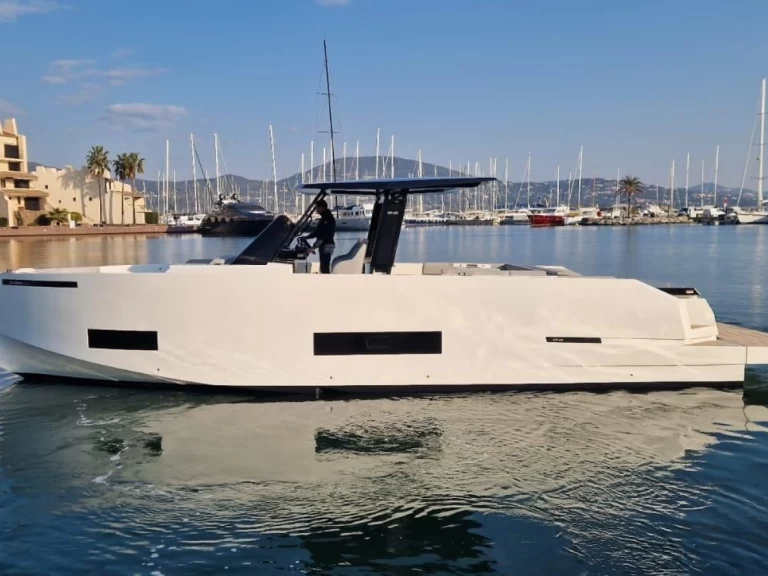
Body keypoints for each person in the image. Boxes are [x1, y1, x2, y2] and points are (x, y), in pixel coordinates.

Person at [304, 199, 336, 274]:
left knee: (324, 269)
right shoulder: (325, 217)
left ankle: (327, 281)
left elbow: (323, 236)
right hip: (326, 245)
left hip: (326, 246)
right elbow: (317, 232)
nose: (316, 209)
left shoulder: (327, 219)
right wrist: (307, 237)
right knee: (324, 268)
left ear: (323, 207)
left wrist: (313, 247)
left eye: (317, 207)